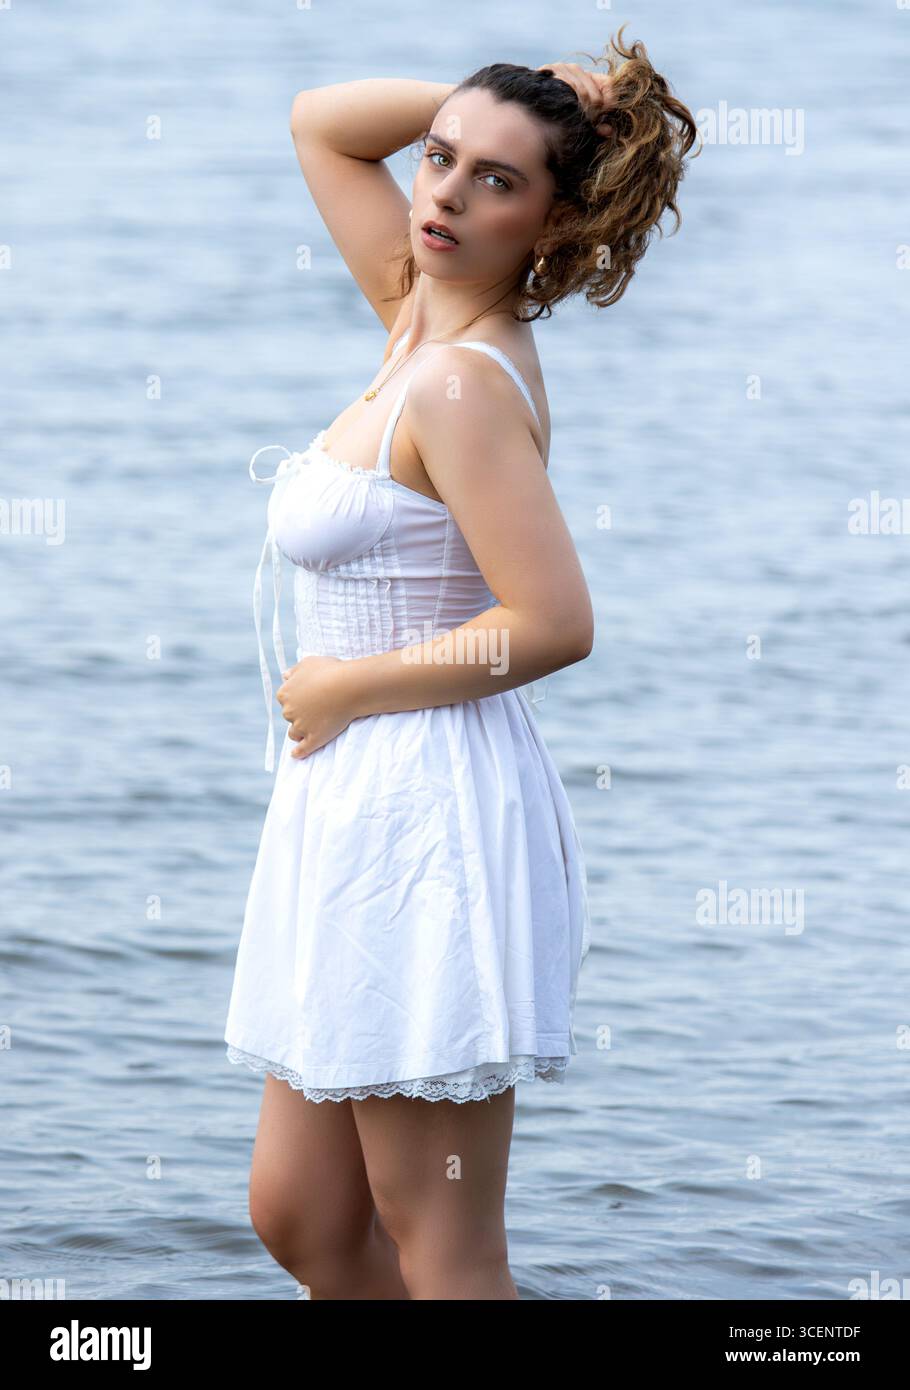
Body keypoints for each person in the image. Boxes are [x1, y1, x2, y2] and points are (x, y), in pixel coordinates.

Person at [224, 30, 698, 1300]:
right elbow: (322, 118)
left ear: (553, 222)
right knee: (304, 1217)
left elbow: (551, 622)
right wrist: (511, 95)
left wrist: (342, 689)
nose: (440, 193)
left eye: (495, 180)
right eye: (439, 161)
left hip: (426, 809)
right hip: (345, 804)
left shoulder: (460, 386)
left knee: (437, 1234)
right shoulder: (406, 315)